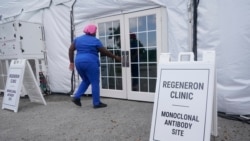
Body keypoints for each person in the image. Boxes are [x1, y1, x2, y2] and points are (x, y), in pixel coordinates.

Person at [68, 24, 121, 109]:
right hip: (90, 62)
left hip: (78, 62)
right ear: (92, 32)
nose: (96, 33)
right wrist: (115, 57)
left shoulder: (77, 39)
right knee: (95, 82)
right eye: (95, 31)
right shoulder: (95, 41)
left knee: (86, 80)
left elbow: (70, 49)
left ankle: (77, 97)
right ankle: (96, 103)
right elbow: (105, 52)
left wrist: (71, 62)